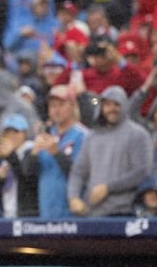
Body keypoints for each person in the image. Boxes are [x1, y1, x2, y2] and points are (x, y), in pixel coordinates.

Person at [68, 86, 153, 217]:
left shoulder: (138, 134)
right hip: (93, 213)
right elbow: (78, 172)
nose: (111, 109)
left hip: (126, 213)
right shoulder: (92, 137)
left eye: (116, 104)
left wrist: (108, 188)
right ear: (101, 107)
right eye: (107, 104)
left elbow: (142, 172)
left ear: (124, 106)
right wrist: (73, 197)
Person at [27, 85, 88, 219]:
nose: (56, 110)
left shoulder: (83, 136)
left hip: (74, 213)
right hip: (47, 211)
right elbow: (29, 175)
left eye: (61, 105)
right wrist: (34, 153)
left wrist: (57, 153)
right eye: (52, 106)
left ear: (72, 106)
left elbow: (80, 174)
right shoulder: (45, 135)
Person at [0, 114, 37, 218]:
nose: (11, 136)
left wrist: (11, 156)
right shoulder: (3, 157)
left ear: (25, 133)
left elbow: (28, 181)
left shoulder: (32, 151)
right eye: (7, 133)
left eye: (15, 132)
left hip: (27, 216)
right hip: (7, 215)